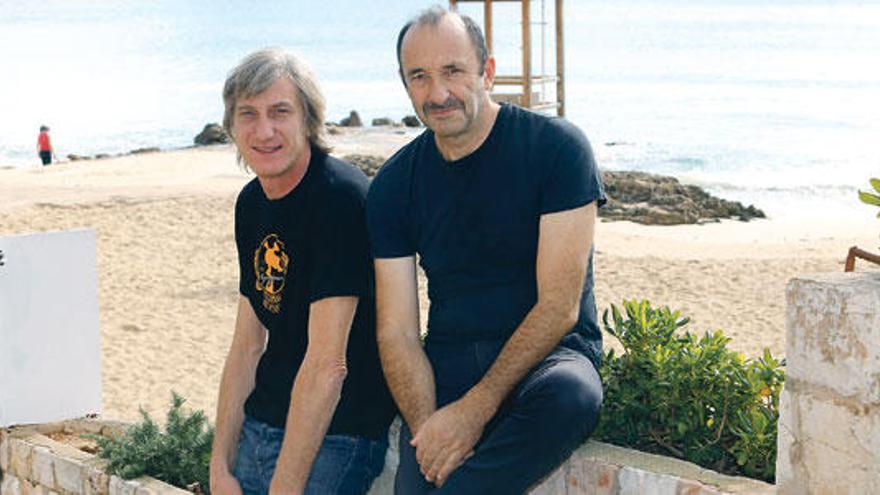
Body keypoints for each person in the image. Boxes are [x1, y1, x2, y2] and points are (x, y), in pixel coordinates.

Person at [366, 7, 605, 494]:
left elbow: (559, 307)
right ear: (404, 83)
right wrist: (428, 428)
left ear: (487, 72)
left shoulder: (557, 149)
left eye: (453, 71)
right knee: (417, 481)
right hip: (452, 362)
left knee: (575, 396)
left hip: (549, 359)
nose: (438, 94)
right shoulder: (393, 185)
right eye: (420, 77)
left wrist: (475, 412)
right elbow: (397, 334)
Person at [209, 48, 396, 495]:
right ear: (232, 126)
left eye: (280, 112)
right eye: (248, 114)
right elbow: (247, 346)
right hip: (261, 425)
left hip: (339, 433)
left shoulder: (341, 199)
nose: (264, 130)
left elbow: (328, 366)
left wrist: (285, 488)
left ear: (309, 119)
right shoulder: (251, 204)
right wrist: (219, 465)